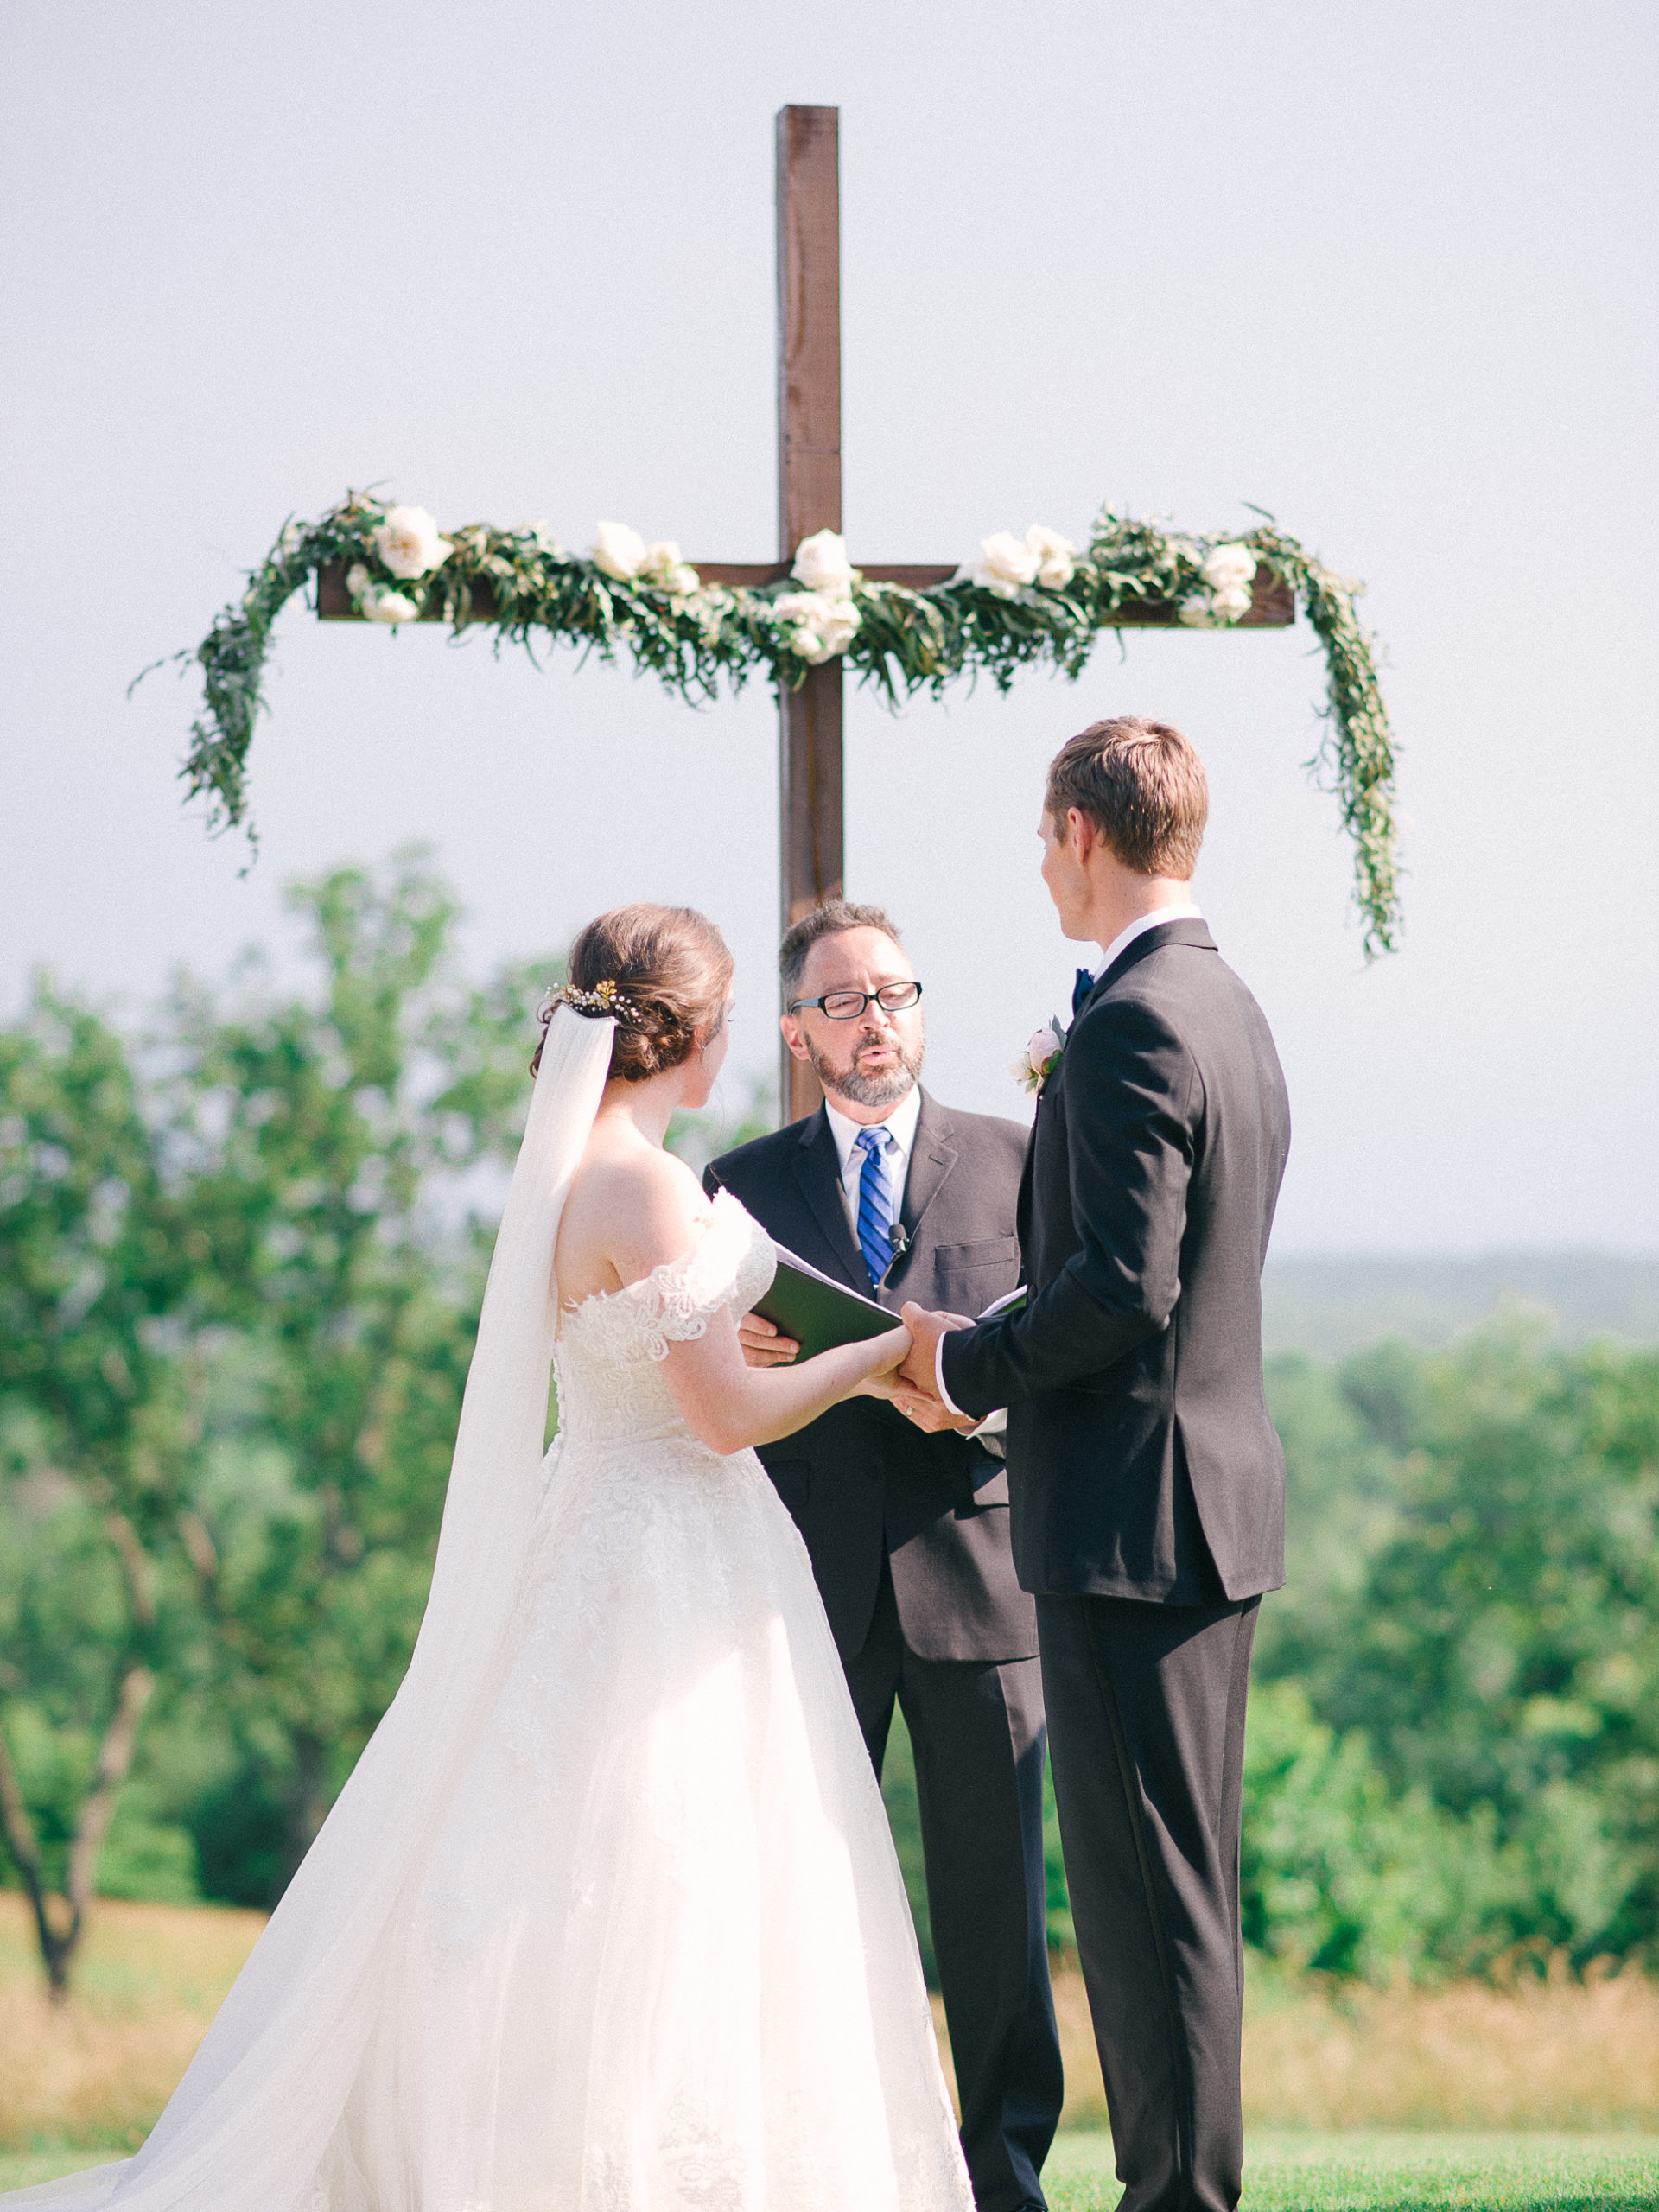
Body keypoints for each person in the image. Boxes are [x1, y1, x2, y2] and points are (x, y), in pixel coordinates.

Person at [12, 905, 973, 2212]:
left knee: (604, 1864)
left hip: (607, 1524)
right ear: (684, 1033)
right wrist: (881, 1357)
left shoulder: (580, 1170)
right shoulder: (640, 1181)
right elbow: (723, 1417)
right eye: (733, 1015)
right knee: (666, 1869)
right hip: (663, 1554)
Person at [899, 720, 1292, 2212]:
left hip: (1136, 1516)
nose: (1039, 862)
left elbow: (1127, 1289)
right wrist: (1001, 1327)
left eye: (1038, 834)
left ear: (1077, 830)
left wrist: (961, 1365)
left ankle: (1176, 2200)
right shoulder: (1227, 1003)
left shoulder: (1133, 1019)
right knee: (1177, 1884)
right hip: (1204, 1501)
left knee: (1144, 1899)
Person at [707, 902, 1064, 2212]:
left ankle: (1005, 2177)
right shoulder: (738, 1183)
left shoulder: (1022, 1158)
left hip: (984, 1580)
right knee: (802, 1898)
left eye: (896, 994)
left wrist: (978, 1389)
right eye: (846, 1002)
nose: (876, 1022)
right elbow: (717, 1373)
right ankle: (819, 2169)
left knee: (994, 1912)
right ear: (801, 1033)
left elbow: (1063, 1350)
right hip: (804, 1584)